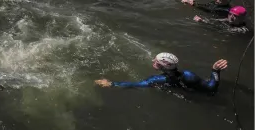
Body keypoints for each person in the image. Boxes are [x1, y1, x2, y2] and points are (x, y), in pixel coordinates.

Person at [94, 52, 227, 94]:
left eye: (157, 61)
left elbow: (137, 85)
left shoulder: (158, 79)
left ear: (165, 66)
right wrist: (215, 72)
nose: (153, 61)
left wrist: (112, 84)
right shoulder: (188, 75)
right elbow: (210, 86)